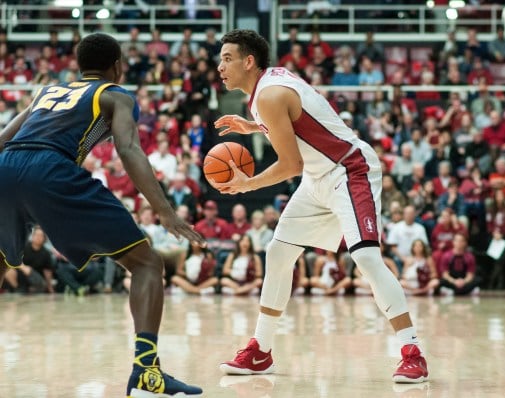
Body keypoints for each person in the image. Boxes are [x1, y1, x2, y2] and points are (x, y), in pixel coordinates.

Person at [211, 29, 428, 383]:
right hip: (317, 179)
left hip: (349, 170)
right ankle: (260, 350)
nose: (220, 66)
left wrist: (247, 184)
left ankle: (412, 351)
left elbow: (290, 165)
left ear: (249, 62)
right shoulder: (268, 84)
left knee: (366, 258)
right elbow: (300, 117)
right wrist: (256, 126)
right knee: (278, 253)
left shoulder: (269, 94)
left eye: (227, 58)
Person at [0, 33, 204, 397]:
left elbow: (3, 139)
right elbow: (127, 148)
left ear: (79, 66)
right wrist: (165, 211)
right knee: (146, 264)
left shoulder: (46, 91)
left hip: (6, 165)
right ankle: (146, 372)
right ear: (117, 66)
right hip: (50, 168)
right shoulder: (115, 94)